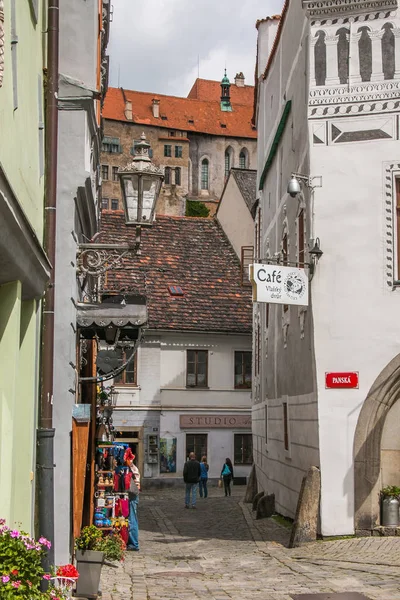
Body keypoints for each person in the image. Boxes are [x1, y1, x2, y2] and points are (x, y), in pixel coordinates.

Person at [125, 448, 141, 551]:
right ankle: (132, 542)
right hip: (133, 495)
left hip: (132, 496)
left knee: (132, 519)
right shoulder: (133, 468)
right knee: (132, 518)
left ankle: (134, 544)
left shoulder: (132, 469)